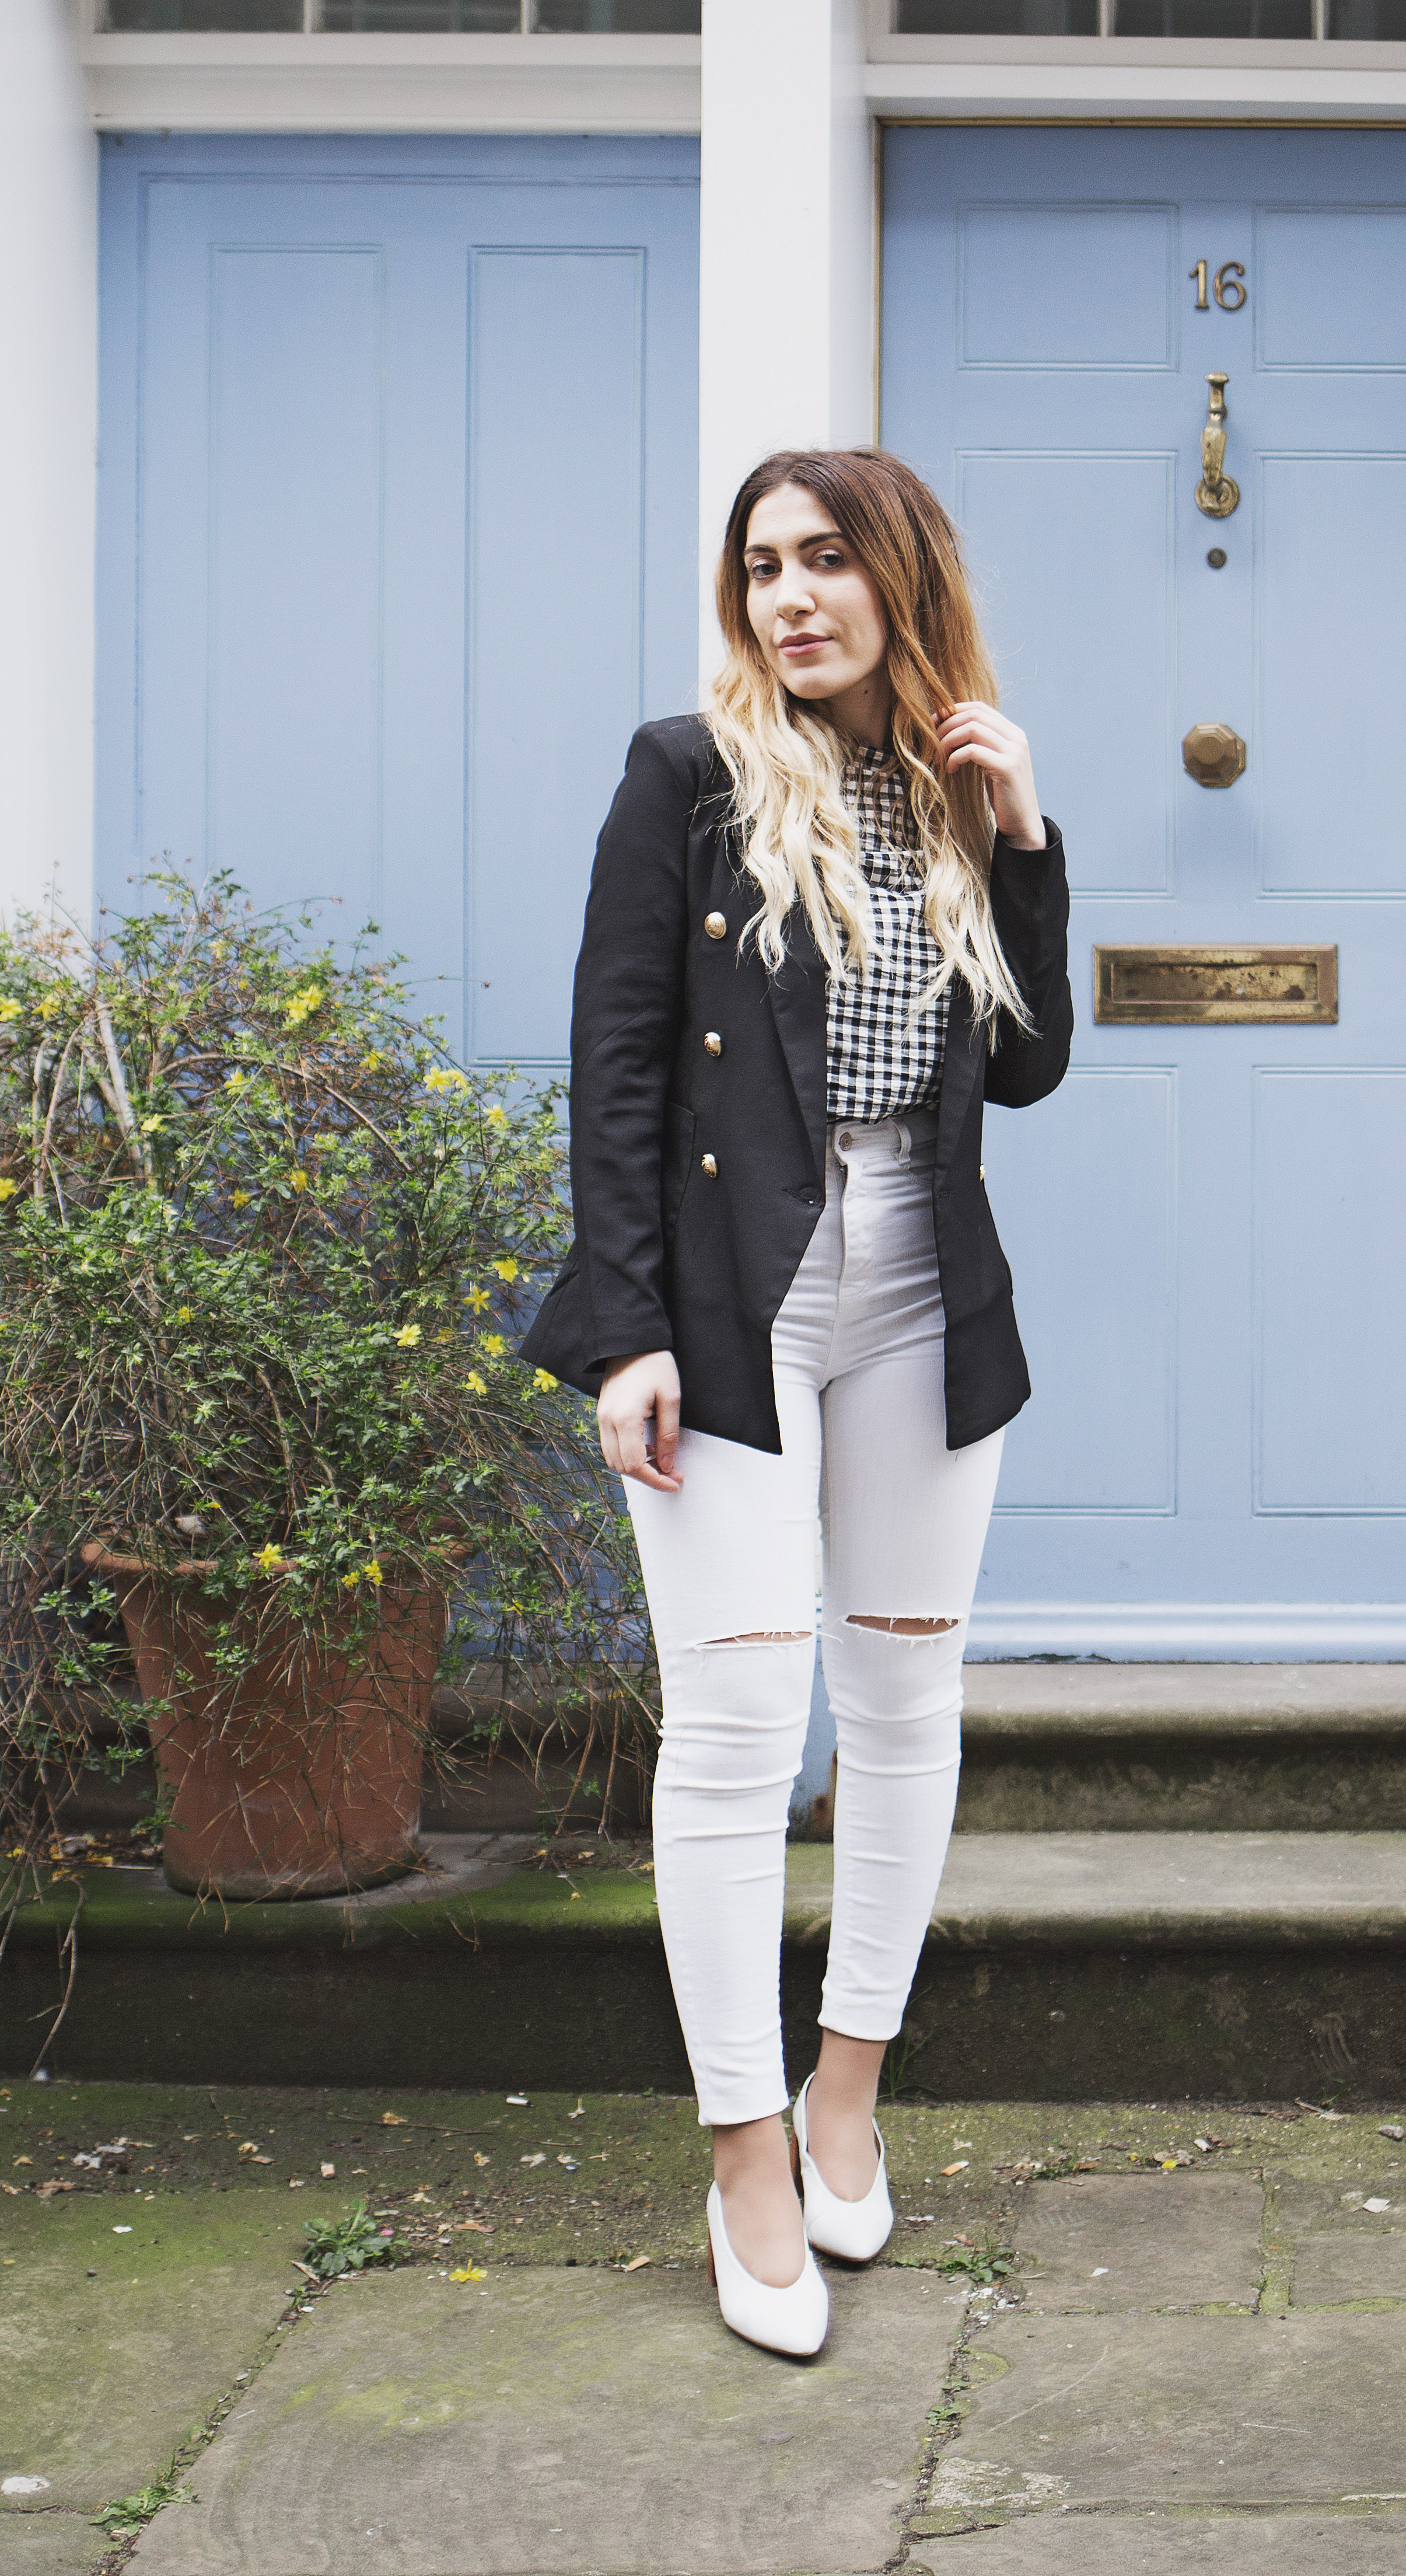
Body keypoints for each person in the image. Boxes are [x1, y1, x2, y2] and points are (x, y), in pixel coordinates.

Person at [522, 446, 1072, 2355]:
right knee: (741, 1721)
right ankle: (743, 2149)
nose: (788, 597)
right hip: (727, 1301)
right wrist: (623, 1330)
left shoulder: (952, 790)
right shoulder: (685, 777)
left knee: (903, 1710)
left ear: (900, 579)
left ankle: (848, 2093)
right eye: (761, 566)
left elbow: (1026, 1068)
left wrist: (1022, 836)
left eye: (826, 559)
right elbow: (612, 1066)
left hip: (924, 1289)